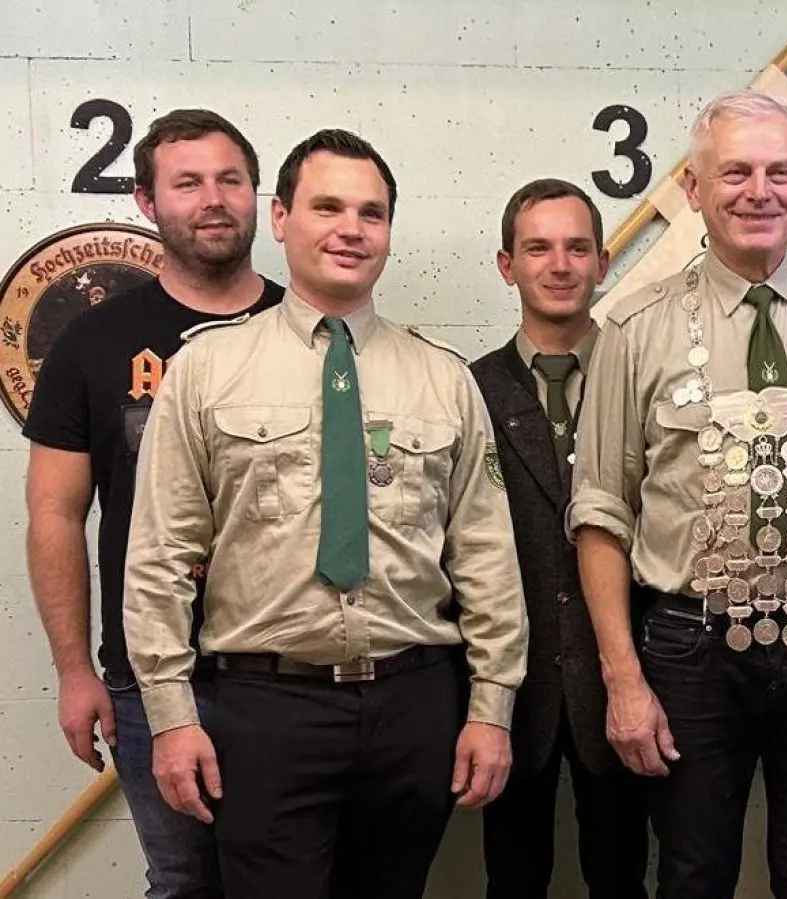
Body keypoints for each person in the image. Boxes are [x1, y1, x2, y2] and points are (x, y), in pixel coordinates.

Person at [121, 128, 528, 899]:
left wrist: (492, 706)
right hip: (268, 707)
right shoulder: (207, 369)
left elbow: (485, 557)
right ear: (280, 217)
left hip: (416, 702)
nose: (351, 228)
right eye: (328, 206)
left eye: (371, 213)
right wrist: (172, 717)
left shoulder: (441, 378)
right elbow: (161, 557)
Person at [568, 89, 787, 899]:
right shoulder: (636, 326)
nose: (758, 191)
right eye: (734, 172)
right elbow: (600, 510)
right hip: (689, 648)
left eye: (779, 172)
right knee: (692, 876)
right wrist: (623, 679)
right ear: (693, 187)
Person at [24, 108, 283, 899]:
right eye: (188, 183)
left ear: (256, 196)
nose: (213, 199)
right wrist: (75, 672)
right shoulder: (92, 343)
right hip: (150, 674)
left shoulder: (307, 327)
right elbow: (55, 515)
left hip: (288, 669)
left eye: (230, 180)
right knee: (182, 883)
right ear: (146, 201)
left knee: (297, 877)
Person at [470, 178, 648, 899]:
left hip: (630, 680)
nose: (560, 264)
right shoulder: (469, 389)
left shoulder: (646, 376)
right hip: (515, 686)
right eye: (538, 247)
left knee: (624, 875)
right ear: (507, 264)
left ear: (603, 262)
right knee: (512, 879)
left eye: (578, 247)